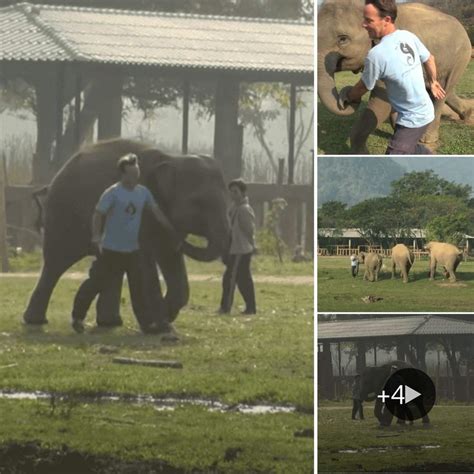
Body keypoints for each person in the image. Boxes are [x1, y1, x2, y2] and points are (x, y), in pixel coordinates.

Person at [71, 153, 179, 334]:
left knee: (140, 288)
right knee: (96, 283)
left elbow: (156, 211)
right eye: (131, 174)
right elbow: (98, 214)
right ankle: (77, 317)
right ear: (123, 174)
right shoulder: (113, 193)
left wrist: (170, 229)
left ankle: (147, 324)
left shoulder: (143, 193)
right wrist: (96, 237)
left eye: (137, 172)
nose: (135, 177)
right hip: (111, 250)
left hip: (132, 250)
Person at [339, 0, 446, 155]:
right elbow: (429, 59)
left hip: (414, 118)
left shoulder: (376, 55)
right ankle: (424, 155)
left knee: (394, 155)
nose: (363, 24)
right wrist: (433, 81)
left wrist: (348, 95)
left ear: (387, 20)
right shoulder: (407, 35)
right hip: (425, 109)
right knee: (408, 149)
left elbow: (363, 86)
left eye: (369, 20)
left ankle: (427, 156)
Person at [219, 178, 257, 315]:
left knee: (230, 279)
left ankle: (226, 307)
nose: (233, 195)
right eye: (231, 192)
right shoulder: (233, 207)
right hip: (234, 249)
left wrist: (253, 246)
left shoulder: (244, 209)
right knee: (242, 279)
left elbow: (249, 230)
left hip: (241, 250)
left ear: (242, 192)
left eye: (235, 192)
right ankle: (251, 308)